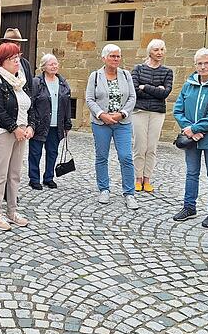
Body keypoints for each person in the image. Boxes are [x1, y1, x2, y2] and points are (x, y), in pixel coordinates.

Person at [172, 48, 208, 228]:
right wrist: (189, 130)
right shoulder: (189, 85)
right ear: (195, 65)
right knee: (191, 173)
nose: (203, 67)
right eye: (199, 63)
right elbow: (177, 110)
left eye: (206, 63)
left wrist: (195, 128)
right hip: (191, 138)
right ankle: (189, 207)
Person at [0, 43, 38, 230]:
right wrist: (14, 128)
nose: (17, 61)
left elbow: (30, 106)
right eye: (12, 58)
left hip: (21, 132)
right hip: (2, 132)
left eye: (18, 57)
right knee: (0, 175)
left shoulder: (21, 81)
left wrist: (31, 126)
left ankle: (12, 210)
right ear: (2, 62)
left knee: (15, 174)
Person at [0, 28, 34, 202]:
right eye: (14, 43)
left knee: (14, 164)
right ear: (3, 44)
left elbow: (29, 89)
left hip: (20, 117)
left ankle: (10, 194)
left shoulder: (24, 64)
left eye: (19, 44)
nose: (17, 46)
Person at [85, 44, 138, 210]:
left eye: (118, 56)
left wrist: (121, 114)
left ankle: (129, 193)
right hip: (101, 123)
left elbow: (132, 97)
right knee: (102, 157)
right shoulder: (95, 76)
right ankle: (104, 189)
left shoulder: (126, 75)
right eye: (112, 56)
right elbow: (89, 99)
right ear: (104, 58)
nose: (116, 59)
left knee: (126, 157)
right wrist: (102, 114)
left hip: (122, 122)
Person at [131, 39, 174, 192]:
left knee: (151, 147)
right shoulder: (138, 69)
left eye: (162, 49)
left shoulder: (167, 72)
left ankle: (147, 179)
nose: (160, 53)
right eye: (156, 50)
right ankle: (137, 178)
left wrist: (146, 87)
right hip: (139, 112)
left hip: (157, 113)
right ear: (150, 51)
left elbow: (165, 93)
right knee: (139, 146)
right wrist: (156, 89)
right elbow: (135, 91)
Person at [28, 53, 72, 189]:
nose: (54, 66)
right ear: (44, 67)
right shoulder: (36, 82)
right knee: (35, 153)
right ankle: (34, 179)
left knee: (52, 152)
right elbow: (31, 104)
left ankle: (49, 177)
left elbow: (67, 105)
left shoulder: (63, 82)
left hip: (56, 125)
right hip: (39, 125)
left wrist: (67, 123)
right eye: (51, 64)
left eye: (55, 63)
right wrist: (31, 123)